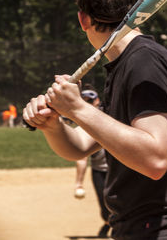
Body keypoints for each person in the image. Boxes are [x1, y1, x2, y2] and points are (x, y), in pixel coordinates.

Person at [23, 0, 167, 239]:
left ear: (83, 19)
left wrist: (77, 108)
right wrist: (53, 125)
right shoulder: (126, 64)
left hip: (164, 231)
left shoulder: (143, 61)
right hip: (138, 229)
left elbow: (154, 158)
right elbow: (80, 147)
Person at [73, 85, 110, 237]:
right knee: (104, 206)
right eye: (85, 101)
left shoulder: (110, 118)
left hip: (117, 170)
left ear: (97, 101)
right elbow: (82, 158)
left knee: (119, 203)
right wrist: (79, 183)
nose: (88, 104)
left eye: (90, 100)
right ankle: (108, 223)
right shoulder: (83, 126)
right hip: (99, 171)